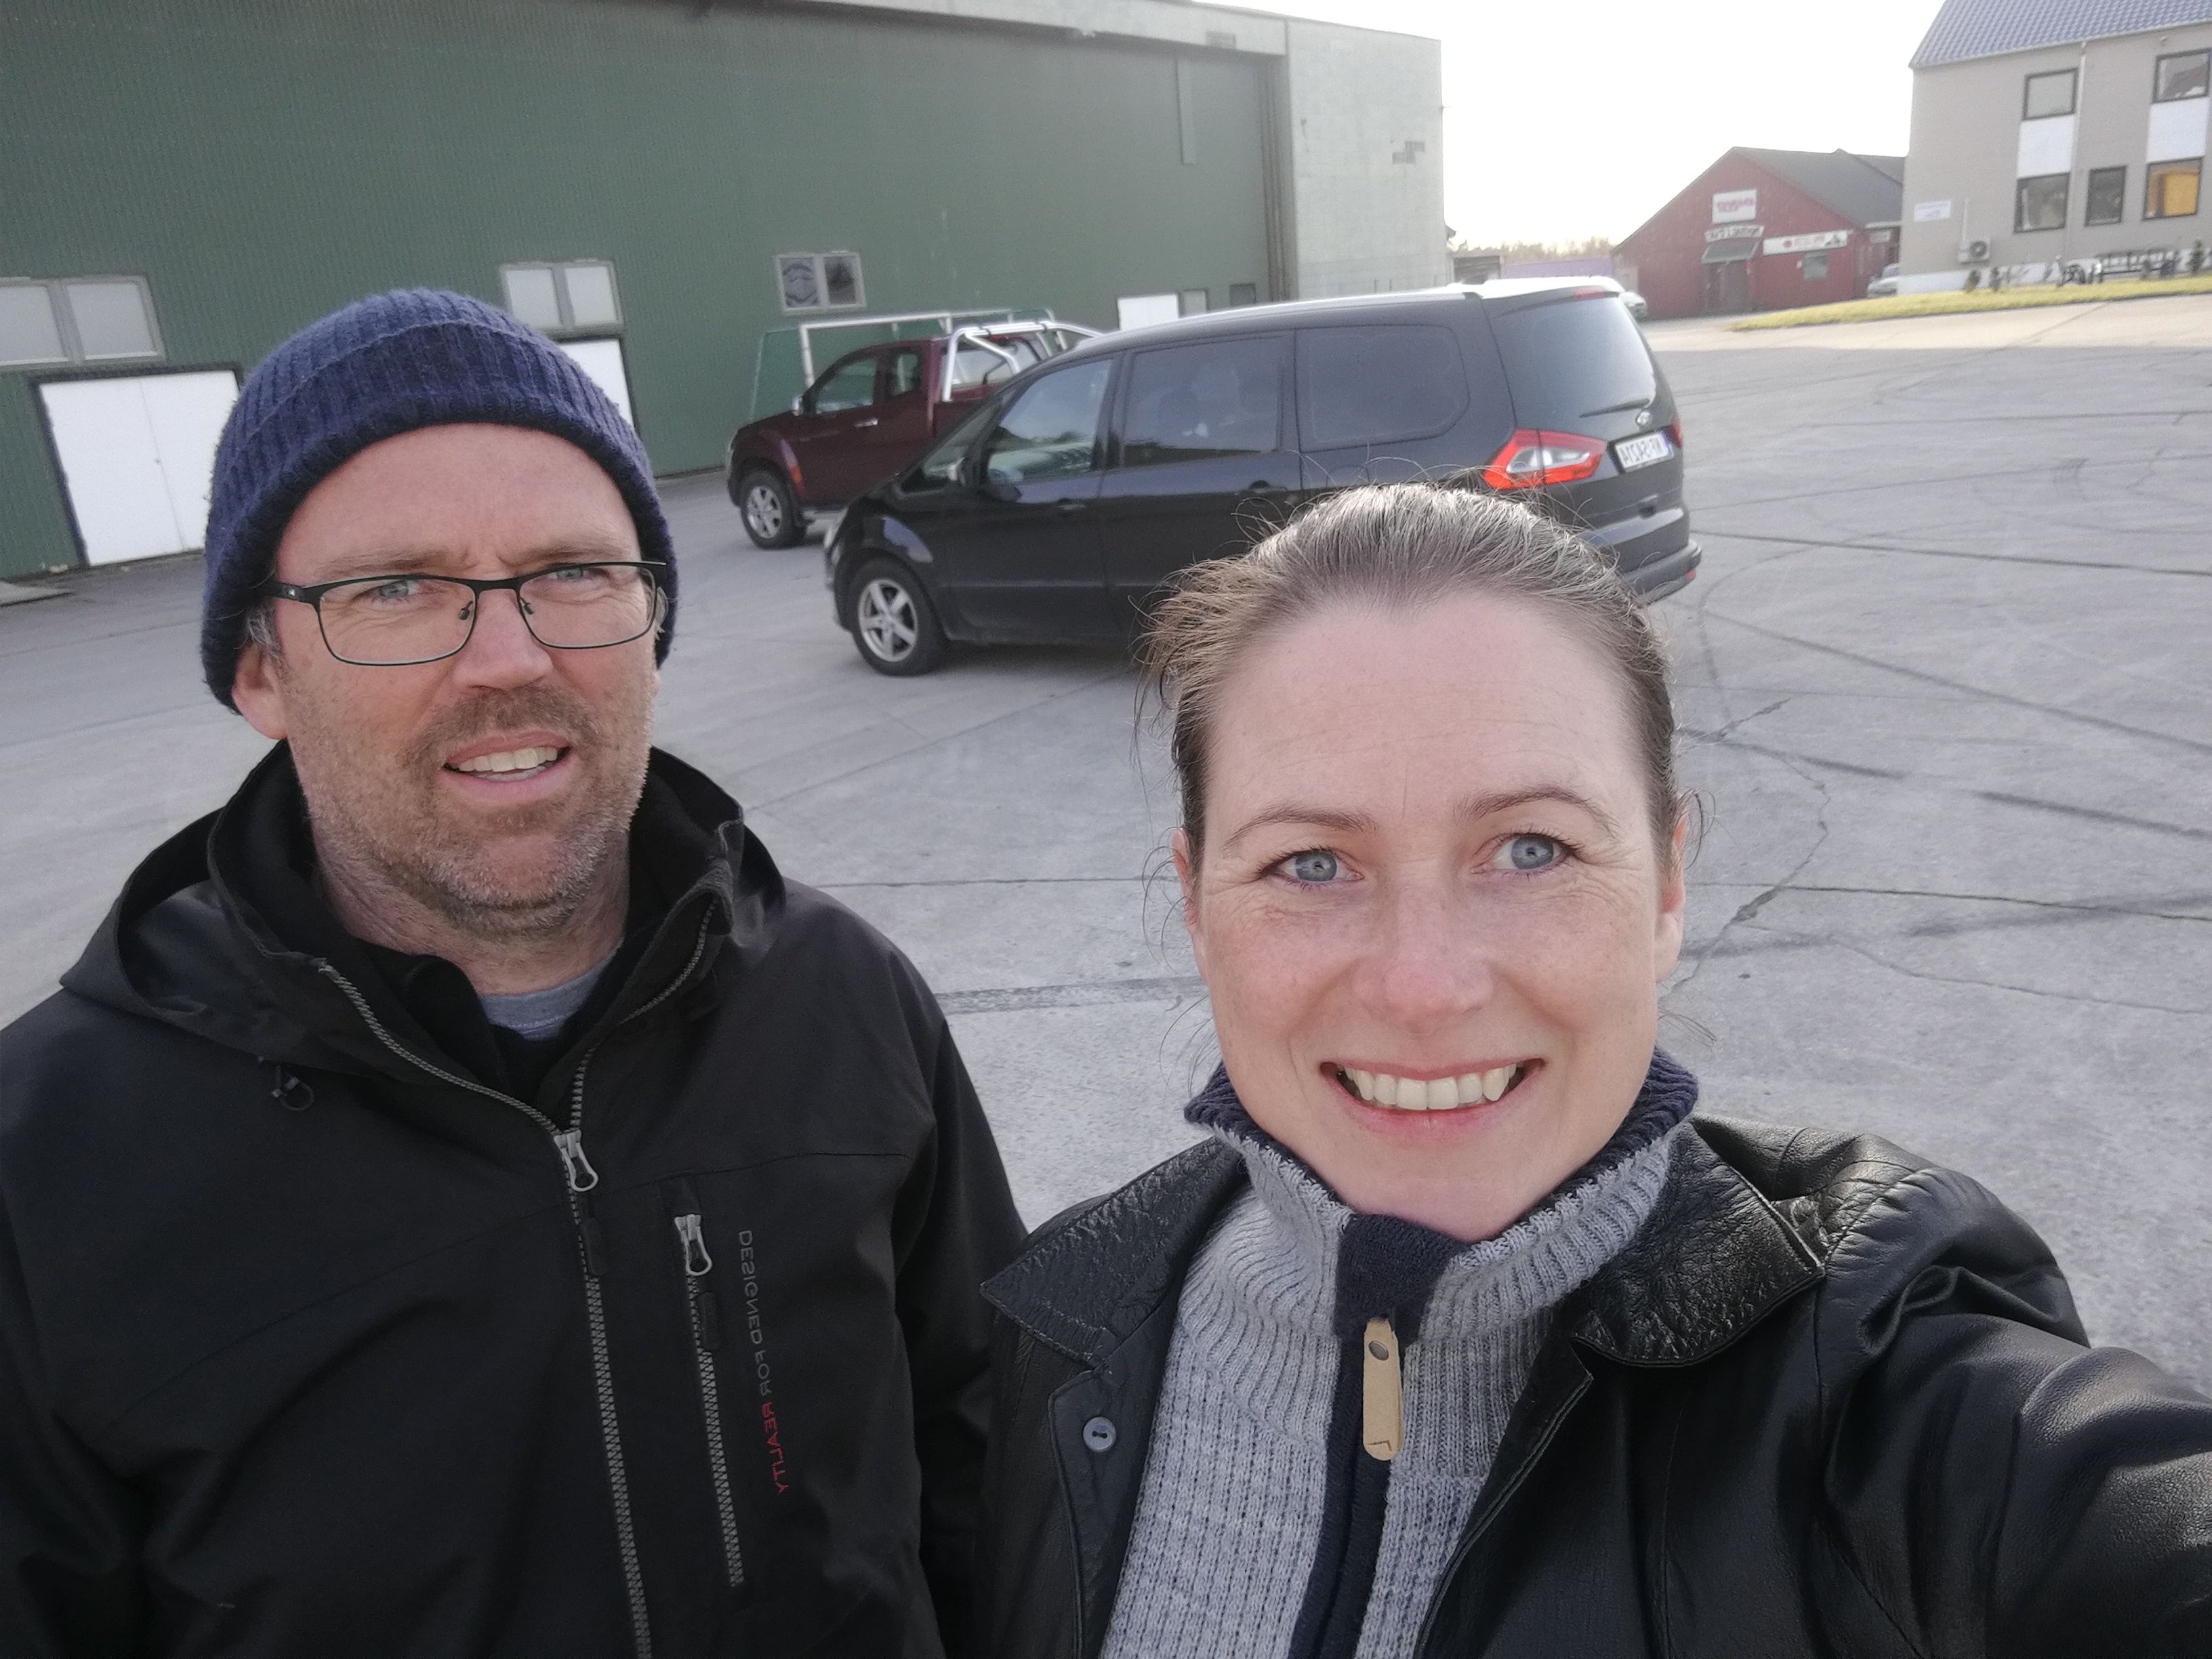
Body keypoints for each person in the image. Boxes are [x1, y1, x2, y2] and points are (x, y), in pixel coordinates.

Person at [975, 485, 2212, 1658]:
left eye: (1531, 848)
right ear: (1197, 904)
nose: (1424, 987)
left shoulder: (1883, 1388)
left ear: (1667, 884)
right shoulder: (1065, 1324)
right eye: (1310, 864)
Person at [0, 290, 1025, 1658]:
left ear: (651, 624)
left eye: (575, 572)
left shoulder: (842, 999)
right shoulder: (49, 1156)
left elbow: (995, 1473)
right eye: (395, 589)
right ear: (260, 671)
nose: (510, 658)